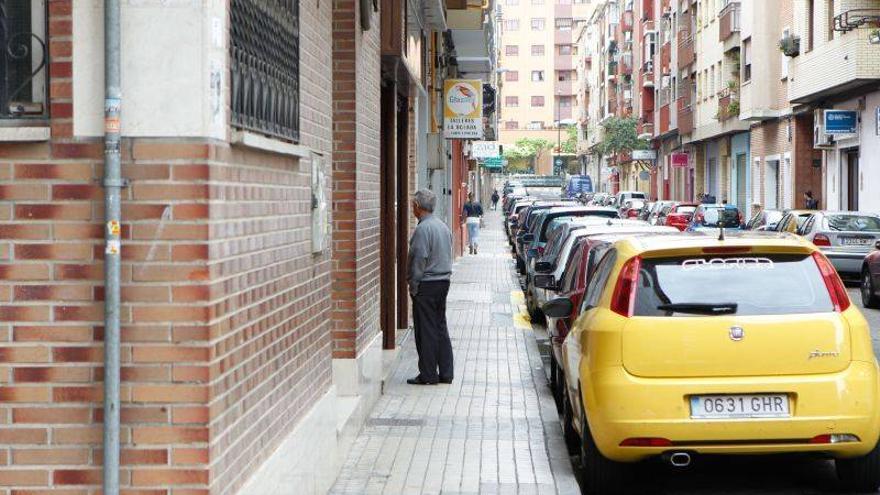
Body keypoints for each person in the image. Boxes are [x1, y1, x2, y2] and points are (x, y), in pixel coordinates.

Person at [407, 189, 454, 386]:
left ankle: (427, 374)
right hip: (443, 282)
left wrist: (413, 285)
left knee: (425, 329)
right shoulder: (443, 227)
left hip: (427, 284)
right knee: (439, 326)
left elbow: (419, 258)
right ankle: (446, 372)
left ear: (417, 207)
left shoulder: (422, 229)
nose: (412, 209)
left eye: (412, 205)